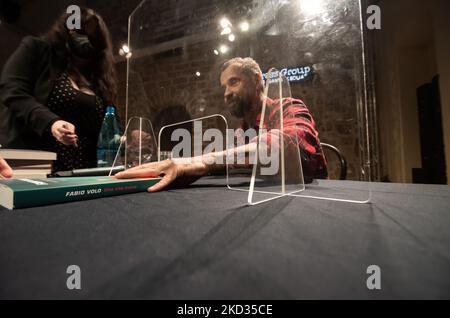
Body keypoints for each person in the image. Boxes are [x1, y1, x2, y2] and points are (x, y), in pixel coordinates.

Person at [116, 57, 327, 191]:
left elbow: (288, 143)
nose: (226, 93)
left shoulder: (289, 107)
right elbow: (234, 166)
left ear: (256, 80)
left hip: (311, 201)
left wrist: (200, 162)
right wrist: (185, 168)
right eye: (224, 86)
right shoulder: (241, 131)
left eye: (233, 82)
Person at [0, 8, 117, 173]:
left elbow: (109, 121)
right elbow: (13, 91)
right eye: (81, 34)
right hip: (35, 164)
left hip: (84, 171)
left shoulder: (97, 77)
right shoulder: (37, 50)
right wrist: (51, 122)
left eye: (93, 38)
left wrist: (124, 137)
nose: (86, 42)